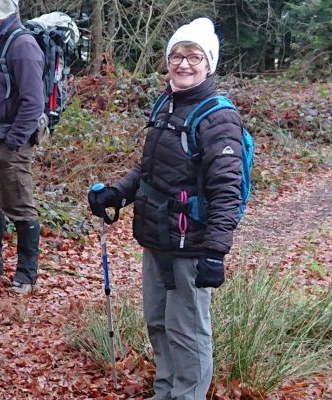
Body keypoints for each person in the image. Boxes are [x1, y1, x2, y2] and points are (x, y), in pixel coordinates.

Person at [85, 18, 244, 400]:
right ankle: (166, 392)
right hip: (157, 237)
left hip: (192, 245)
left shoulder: (218, 118)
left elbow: (228, 191)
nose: (183, 64)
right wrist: (117, 194)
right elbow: (150, 172)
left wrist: (216, 252)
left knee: (187, 331)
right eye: (177, 55)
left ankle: (187, 395)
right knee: (158, 323)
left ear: (209, 64)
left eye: (194, 56)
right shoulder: (167, 105)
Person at [0, 0, 47, 294]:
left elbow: (32, 102)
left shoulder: (23, 45)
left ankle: (27, 273)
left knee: (19, 205)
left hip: (9, 142)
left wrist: (14, 142)